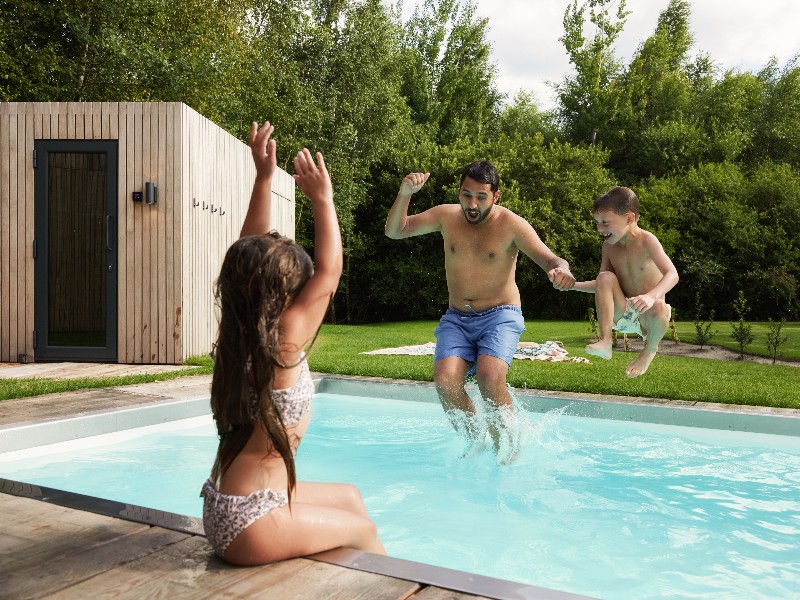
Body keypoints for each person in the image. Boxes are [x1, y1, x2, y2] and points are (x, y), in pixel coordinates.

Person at [201, 121, 385, 565]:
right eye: (296, 290)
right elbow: (330, 272)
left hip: (229, 503)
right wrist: (324, 200)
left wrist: (264, 178)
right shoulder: (282, 344)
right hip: (249, 519)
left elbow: (248, 252)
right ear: (281, 298)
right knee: (363, 532)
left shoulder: (240, 332)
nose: (304, 296)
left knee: (351, 499)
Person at [385, 161, 575, 463]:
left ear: (496, 196)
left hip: (501, 314)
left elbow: (550, 259)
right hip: (457, 318)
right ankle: (478, 442)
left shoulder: (512, 225)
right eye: (466, 195)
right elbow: (396, 231)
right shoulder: (447, 216)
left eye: (481, 197)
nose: (472, 204)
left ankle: (509, 447)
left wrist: (561, 271)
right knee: (445, 381)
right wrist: (405, 193)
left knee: (489, 376)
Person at [570, 186, 679, 377]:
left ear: (629, 218)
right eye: (597, 223)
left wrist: (651, 297)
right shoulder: (609, 247)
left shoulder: (647, 241)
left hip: (648, 315)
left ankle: (649, 350)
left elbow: (672, 274)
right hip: (622, 311)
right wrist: (572, 286)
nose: (599, 229)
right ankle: (605, 341)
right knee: (605, 276)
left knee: (661, 308)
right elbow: (602, 286)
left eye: (605, 222)